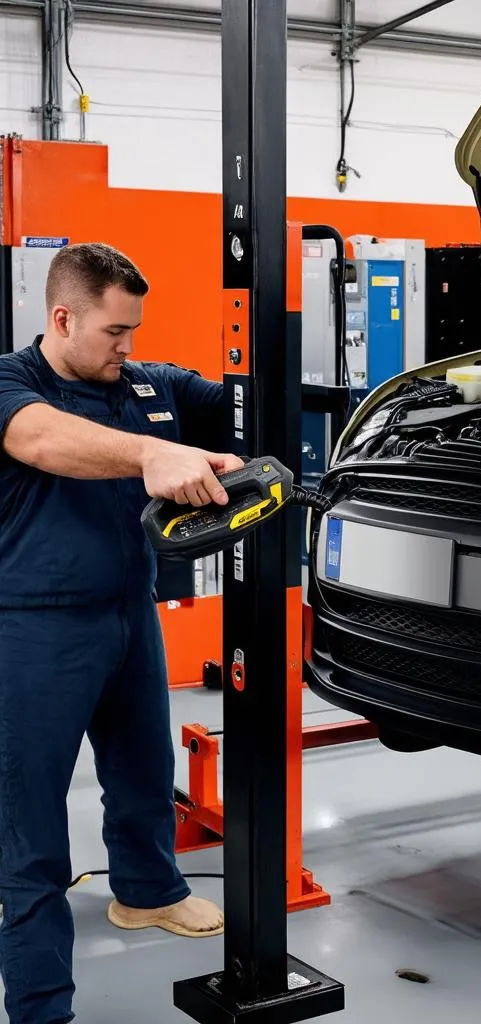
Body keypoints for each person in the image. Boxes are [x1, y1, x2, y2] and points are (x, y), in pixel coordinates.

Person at [0, 242, 240, 1024]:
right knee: (29, 821)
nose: (127, 347)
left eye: (135, 330)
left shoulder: (148, 384)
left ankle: (146, 892)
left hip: (129, 611)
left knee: (142, 772)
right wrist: (153, 454)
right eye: (114, 332)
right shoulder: (12, 384)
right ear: (63, 318)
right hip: (33, 626)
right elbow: (42, 441)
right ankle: (41, 1005)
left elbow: (233, 399)